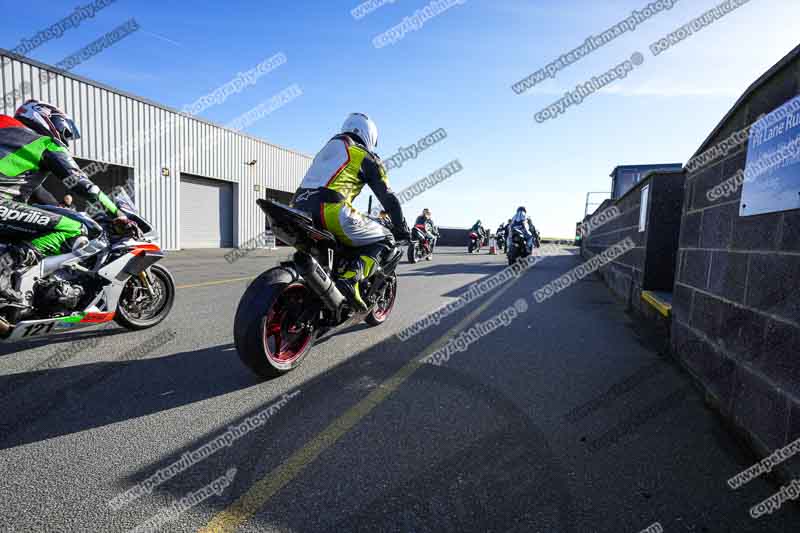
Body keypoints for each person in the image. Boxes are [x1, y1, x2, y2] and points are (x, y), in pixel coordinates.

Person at [0, 100, 133, 303]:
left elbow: (36, 190)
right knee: (74, 228)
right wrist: (117, 213)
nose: (66, 138)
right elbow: (81, 183)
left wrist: (60, 208)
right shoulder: (44, 142)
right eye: (66, 132)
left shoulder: (10, 136)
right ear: (47, 119)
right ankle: (6, 269)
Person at [291, 112, 409, 310]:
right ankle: (351, 278)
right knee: (387, 239)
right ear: (369, 135)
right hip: (330, 210)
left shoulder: (326, 150)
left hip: (298, 208)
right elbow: (389, 198)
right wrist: (401, 227)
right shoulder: (363, 154)